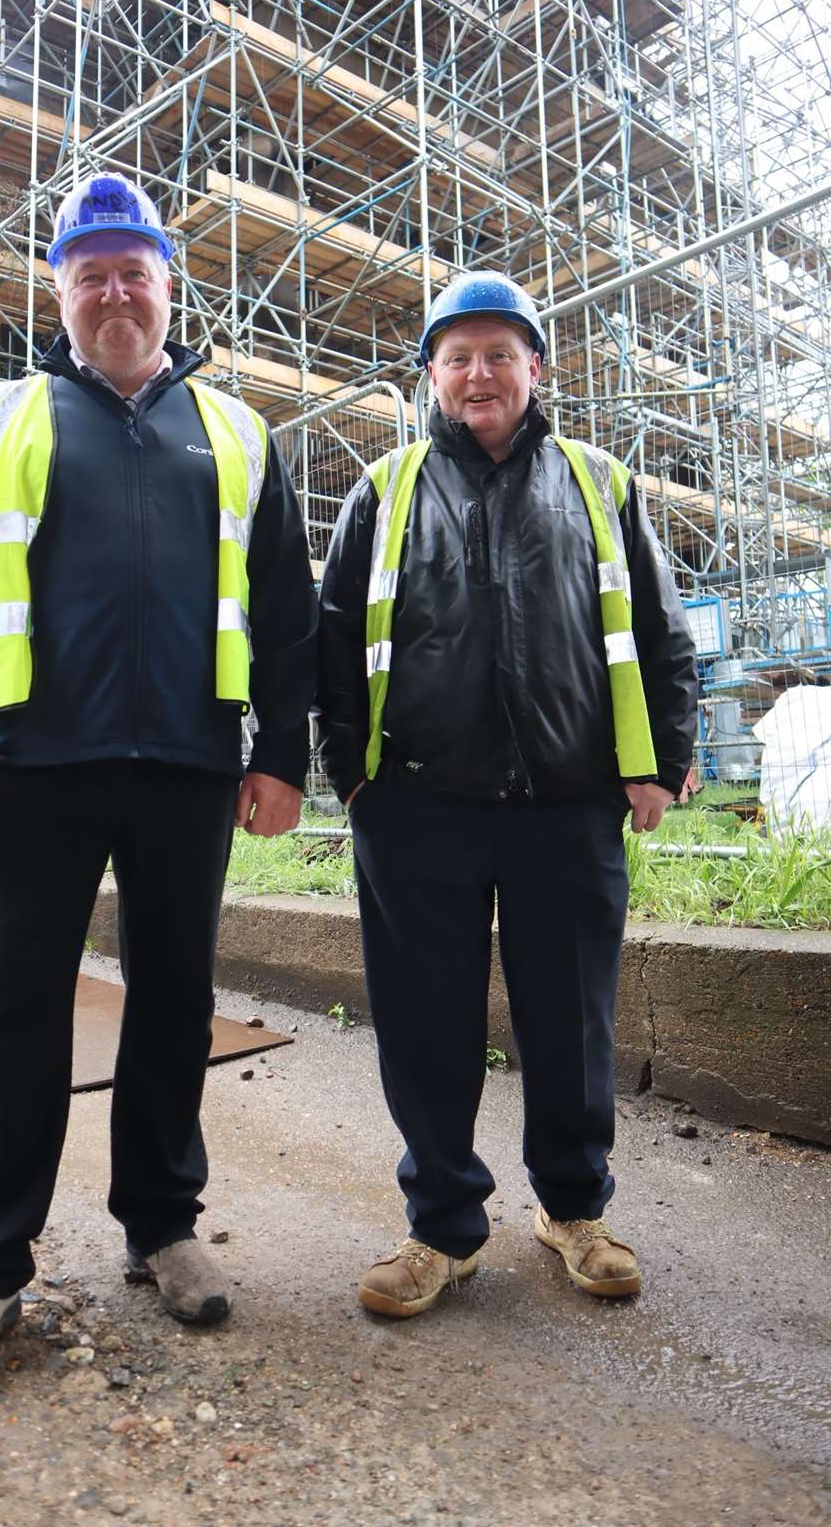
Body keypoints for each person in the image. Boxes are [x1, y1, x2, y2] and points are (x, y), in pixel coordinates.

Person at [0, 171, 317, 1395]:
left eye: (136, 271)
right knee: (9, 1009)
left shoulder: (238, 433)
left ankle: (161, 1225)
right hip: (30, 767)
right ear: (62, 292)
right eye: (92, 274)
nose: (115, 292)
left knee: (176, 998)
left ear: (170, 290)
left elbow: (288, 616)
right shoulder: (0, 419)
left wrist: (281, 754)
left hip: (189, 764)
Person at [317, 271, 697, 1319]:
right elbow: (336, 640)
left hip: (565, 799)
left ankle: (573, 1209)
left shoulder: (597, 482)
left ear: (536, 366)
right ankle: (442, 1226)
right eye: (458, 355)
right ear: (431, 375)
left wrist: (663, 753)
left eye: (499, 353)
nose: (478, 373)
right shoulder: (383, 490)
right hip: (418, 805)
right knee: (425, 1022)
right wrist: (353, 776)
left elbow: (659, 629)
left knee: (572, 1018)